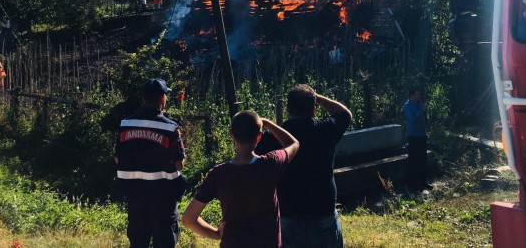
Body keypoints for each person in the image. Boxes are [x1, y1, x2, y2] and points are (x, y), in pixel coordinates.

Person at [182, 110, 299, 247]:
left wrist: (215, 233)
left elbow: (188, 219)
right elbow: (293, 143)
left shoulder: (219, 174)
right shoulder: (270, 164)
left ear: (231, 135)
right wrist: (267, 123)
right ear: (259, 136)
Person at [256, 84, 351, 247]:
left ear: (287, 108)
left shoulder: (269, 139)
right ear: (314, 110)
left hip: (287, 210)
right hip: (322, 208)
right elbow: (345, 114)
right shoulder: (325, 130)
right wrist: (316, 96)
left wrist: (268, 124)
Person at [115, 79, 186, 248]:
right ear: (162, 98)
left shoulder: (125, 125)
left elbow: (118, 159)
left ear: (144, 98)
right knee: (165, 242)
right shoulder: (170, 129)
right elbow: (179, 165)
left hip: (135, 196)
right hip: (163, 198)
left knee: (138, 242)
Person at [403, 86, 429, 190]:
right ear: (412, 95)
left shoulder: (419, 103)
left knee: (423, 160)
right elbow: (412, 119)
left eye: (420, 94)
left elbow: (423, 119)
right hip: (413, 136)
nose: (420, 96)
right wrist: (421, 111)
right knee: (413, 161)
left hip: (422, 135)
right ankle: (412, 185)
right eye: (417, 94)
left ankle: (423, 182)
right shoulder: (407, 106)